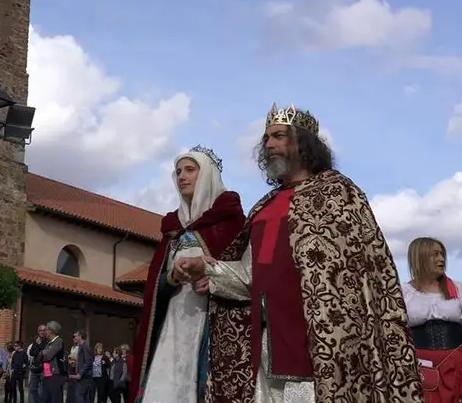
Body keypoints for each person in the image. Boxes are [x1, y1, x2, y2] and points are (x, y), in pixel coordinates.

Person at [176, 103, 423, 403]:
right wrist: (209, 270)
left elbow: (366, 277)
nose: (268, 145)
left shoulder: (340, 193)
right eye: (266, 139)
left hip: (325, 352)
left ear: (304, 143)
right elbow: (250, 277)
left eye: (278, 136)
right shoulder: (263, 208)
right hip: (267, 349)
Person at [130, 146, 245, 403]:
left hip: (210, 326)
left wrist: (214, 277)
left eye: (190, 170)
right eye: (178, 171)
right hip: (172, 327)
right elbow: (154, 290)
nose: (181, 176)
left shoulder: (232, 222)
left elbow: (247, 274)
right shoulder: (173, 231)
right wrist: (173, 277)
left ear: (207, 175)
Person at [402, 237, 462, 403]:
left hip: (461, 361)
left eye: (442, 254)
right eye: (435, 255)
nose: (441, 259)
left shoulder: (456, 288)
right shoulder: (404, 292)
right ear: (420, 257)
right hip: (423, 364)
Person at [40, 320, 68, 403]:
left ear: (51, 331)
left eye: (46, 330)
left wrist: (44, 354)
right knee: (45, 398)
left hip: (56, 374)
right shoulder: (49, 343)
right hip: (47, 374)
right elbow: (40, 355)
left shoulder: (58, 341)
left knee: (55, 398)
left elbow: (48, 356)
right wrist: (43, 354)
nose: (45, 332)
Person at [27, 326, 47, 403]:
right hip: (35, 368)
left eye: (44, 330)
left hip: (44, 368)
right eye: (40, 330)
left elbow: (45, 352)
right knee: (32, 389)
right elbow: (32, 352)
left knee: (41, 390)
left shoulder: (48, 341)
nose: (42, 332)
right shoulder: (36, 341)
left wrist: (39, 345)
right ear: (38, 332)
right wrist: (39, 350)